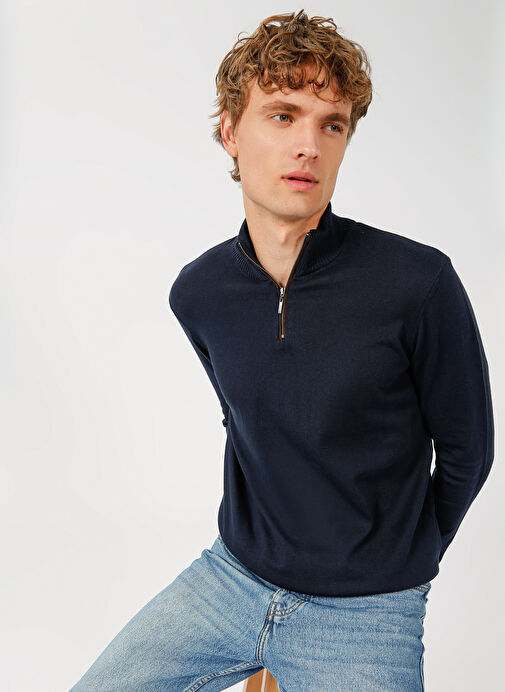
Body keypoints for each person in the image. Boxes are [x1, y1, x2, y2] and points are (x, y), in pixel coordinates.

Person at [69, 9, 494, 691]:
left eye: (332, 125)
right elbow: (247, 422)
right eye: (283, 115)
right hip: (230, 580)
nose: (309, 146)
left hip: (365, 612)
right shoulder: (199, 292)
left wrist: (399, 563)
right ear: (230, 132)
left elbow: (469, 450)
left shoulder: (417, 281)